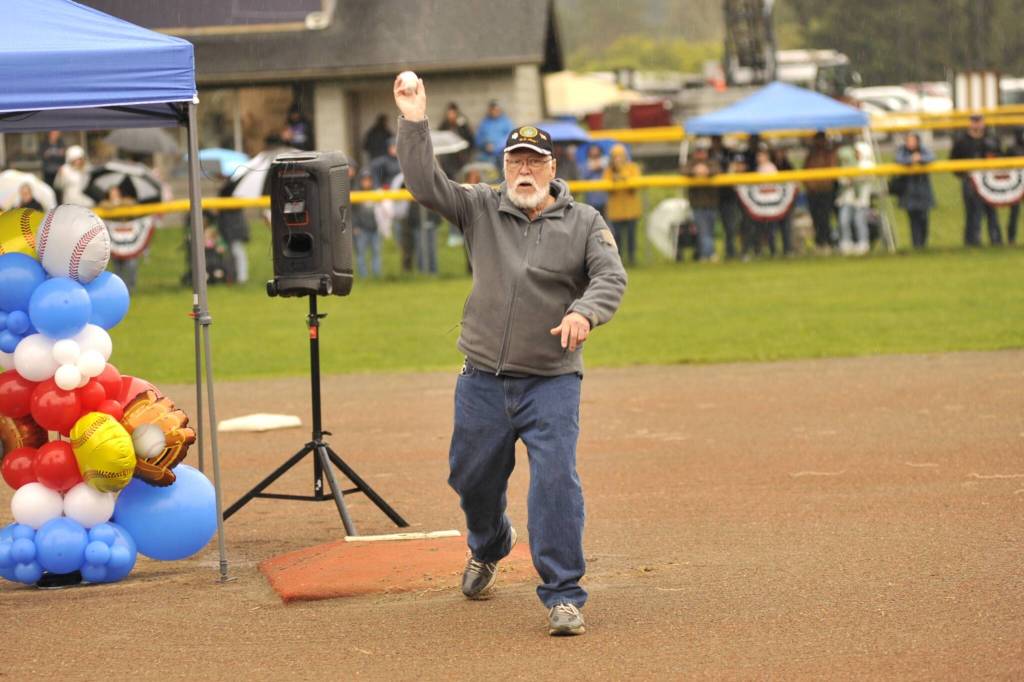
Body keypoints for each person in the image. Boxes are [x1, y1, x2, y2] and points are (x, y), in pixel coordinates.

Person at [393, 75, 626, 637]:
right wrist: (414, 122)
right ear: (504, 166)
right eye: (515, 160)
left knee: (554, 483)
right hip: (482, 380)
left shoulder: (585, 221)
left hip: (550, 380)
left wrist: (582, 313)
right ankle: (492, 543)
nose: (524, 170)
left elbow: (609, 278)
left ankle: (564, 595)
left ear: (552, 168)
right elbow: (424, 184)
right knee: (470, 478)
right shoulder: (478, 206)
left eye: (535, 161)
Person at [951, 114, 1002, 246]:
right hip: (970, 181)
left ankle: (996, 240)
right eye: (974, 121)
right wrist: (962, 173)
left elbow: (1000, 156)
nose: (977, 124)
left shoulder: (992, 139)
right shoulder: (962, 141)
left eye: (979, 121)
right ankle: (972, 241)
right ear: (969, 123)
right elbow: (953, 160)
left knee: (991, 211)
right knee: (972, 212)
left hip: (990, 180)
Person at [894, 133, 935, 249]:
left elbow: (932, 157)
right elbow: (898, 159)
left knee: (923, 218)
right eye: (908, 141)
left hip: (923, 191)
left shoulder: (923, 150)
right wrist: (910, 160)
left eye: (912, 141)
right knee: (913, 219)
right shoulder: (902, 151)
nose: (910, 143)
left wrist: (920, 158)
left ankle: (923, 243)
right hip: (909, 191)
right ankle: (916, 245)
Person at [603, 143, 641, 265]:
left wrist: (622, 175)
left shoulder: (633, 167)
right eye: (615, 156)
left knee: (631, 236)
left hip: (631, 210)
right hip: (616, 211)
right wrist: (615, 178)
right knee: (617, 237)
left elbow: (635, 186)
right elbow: (606, 188)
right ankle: (617, 260)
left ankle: (631, 258)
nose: (618, 159)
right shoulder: (608, 171)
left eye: (620, 156)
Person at [685, 139, 722, 261]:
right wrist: (695, 170)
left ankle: (705, 254)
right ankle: (708, 255)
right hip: (697, 204)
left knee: (709, 231)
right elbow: (683, 171)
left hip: (711, 203)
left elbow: (717, 170)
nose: (700, 154)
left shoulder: (712, 162)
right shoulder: (690, 163)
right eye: (698, 151)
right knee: (703, 231)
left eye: (703, 151)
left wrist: (706, 171)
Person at [99, 186, 141, 290]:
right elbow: (103, 205)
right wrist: (114, 205)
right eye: (112, 193)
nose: (114, 195)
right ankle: (119, 288)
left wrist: (117, 203)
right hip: (115, 240)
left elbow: (132, 203)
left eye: (116, 193)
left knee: (131, 264)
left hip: (128, 239)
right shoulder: (105, 204)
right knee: (117, 266)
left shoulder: (126, 202)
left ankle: (131, 287)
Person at [834, 142, 872, 256]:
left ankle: (863, 243)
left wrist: (853, 179)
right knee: (843, 220)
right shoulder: (848, 164)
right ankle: (846, 243)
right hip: (847, 198)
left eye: (858, 152)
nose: (856, 154)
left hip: (861, 199)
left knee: (860, 221)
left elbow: (865, 179)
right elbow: (841, 180)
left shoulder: (867, 164)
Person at [803, 132, 838, 253]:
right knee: (816, 218)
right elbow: (805, 170)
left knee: (824, 218)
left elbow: (832, 170)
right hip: (813, 192)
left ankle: (827, 242)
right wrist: (810, 185)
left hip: (825, 191)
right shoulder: (812, 154)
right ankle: (820, 242)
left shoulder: (829, 154)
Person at [216, 178, 250, 284]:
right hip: (229, 228)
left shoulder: (233, 190)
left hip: (234, 229)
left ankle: (242, 278)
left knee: (237, 252)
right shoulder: (228, 189)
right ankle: (234, 277)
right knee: (232, 254)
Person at [351, 171, 382, 278]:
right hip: (362, 229)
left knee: (376, 253)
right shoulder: (356, 194)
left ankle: (376, 276)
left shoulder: (376, 193)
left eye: (369, 180)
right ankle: (363, 276)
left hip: (374, 228)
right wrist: (354, 226)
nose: (367, 182)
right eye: (365, 180)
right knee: (361, 253)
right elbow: (353, 213)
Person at [439, 102, 475, 178]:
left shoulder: (462, 125)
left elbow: (470, 140)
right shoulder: (444, 125)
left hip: (462, 156)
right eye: (449, 114)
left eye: (453, 113)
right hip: (448, 156)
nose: (451, 116)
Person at [474, 100, 514, 168]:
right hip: (486, 154)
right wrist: (485, 144)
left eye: (496, 110)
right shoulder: (484, 123)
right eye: (492, 110)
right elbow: (478, 138)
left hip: (502, 153)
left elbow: (511, 137)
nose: (494, 112)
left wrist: (496, 147)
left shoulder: (506, 122)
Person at [582, 144, 608, 220]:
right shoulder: (584, 164)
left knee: (605, 225)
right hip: (591, 201)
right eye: (592, 150)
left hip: (604, 201)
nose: (594, 152)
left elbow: (606, 164)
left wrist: (595, 166)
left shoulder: (605, 160)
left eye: (596, 150)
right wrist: (594, 166)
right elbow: (584, 174)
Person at [40, 130, 66, 198]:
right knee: (48, 189)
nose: (55, 135)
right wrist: (50, 153)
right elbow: (42, 155)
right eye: (54, 134)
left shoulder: (61, 143)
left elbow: (64, 155)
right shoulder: (44, 143)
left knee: (58, 190)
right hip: (48, 171)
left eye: (57, 134)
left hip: (58, 171)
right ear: (50, 134)